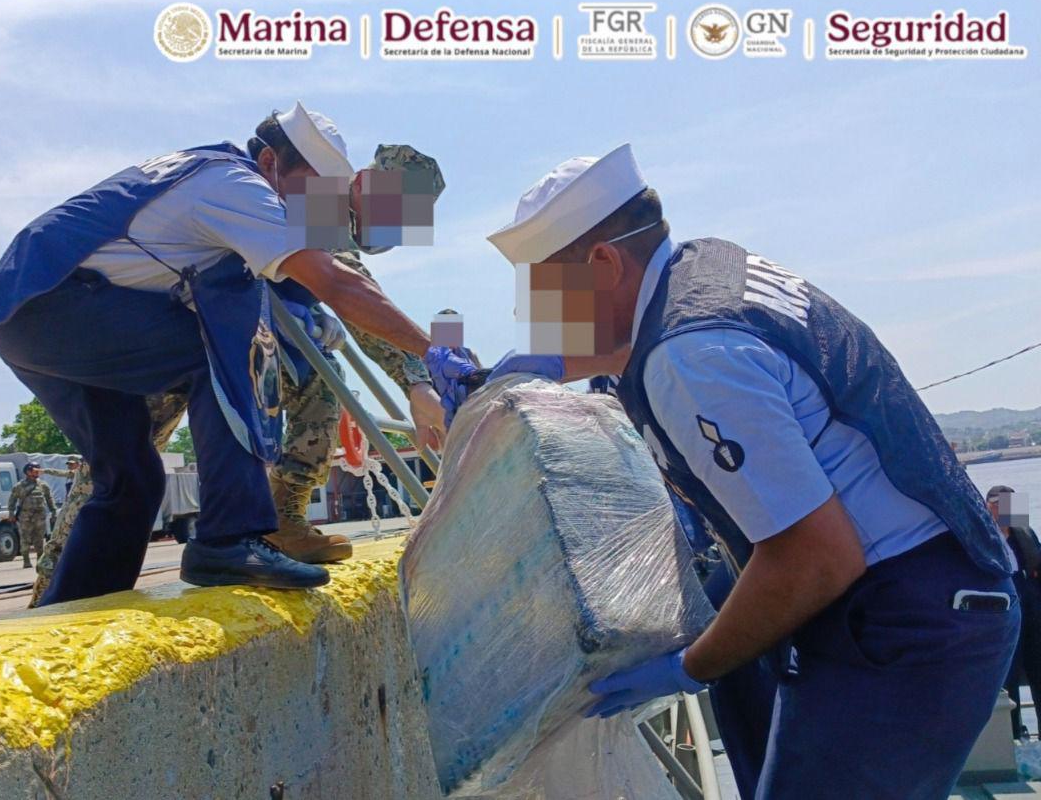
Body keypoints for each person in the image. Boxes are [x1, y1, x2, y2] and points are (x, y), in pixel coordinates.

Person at [432, 144, 1020, 799]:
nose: (534, 312)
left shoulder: (693, 357)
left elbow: (816, 557)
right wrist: (522, 372)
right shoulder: (702, 270)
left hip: (898, 622)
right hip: (919, 597)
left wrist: (691, 666)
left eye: (543, 288)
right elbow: (643, 333)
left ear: (601, 263)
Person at [0, 102, 440, 605]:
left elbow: (337, 286)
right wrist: (431, 361)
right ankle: (229, 537)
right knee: (228, 353)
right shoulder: (242, 187)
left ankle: (67, 608)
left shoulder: (237, 176)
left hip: (34, 305)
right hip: (73, 307)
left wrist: (403, 368)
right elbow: (340, 284)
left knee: (132, 478)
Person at [263, 143, 445, 564]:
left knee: (127, 456)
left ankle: (280, 518)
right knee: (322, 385)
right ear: (362, 184)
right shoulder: (323, 196)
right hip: (203, 307)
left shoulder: (336, 209)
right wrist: (416, 380)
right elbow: (352, 290)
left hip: (241, 309)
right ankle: (278, 520)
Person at [990, 484, 1041, 738]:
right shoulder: (985, 537)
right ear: (992, 507)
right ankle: (1013, 734)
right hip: (1006, 616)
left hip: (1034, 614)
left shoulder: (1025, 533)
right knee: (1008, 679)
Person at [30, 458, 92, 607]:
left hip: (84, 504)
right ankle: (40, 602)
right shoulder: (78, 472)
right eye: (69, 465)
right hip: (80, 505)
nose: (71, 466)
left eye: (72, 464)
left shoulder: (87, 468)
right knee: (56, 549)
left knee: (57, 548)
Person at [6, 462, 57, 569]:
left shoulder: (43, 485)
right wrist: (11, 513)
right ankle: (26, 560)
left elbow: (49, 498)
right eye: (34, 470)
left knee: (39, 539)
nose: (36, 472)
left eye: (38, 470)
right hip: (25, 517)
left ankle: (40, 560)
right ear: (27, 472)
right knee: (25, 539)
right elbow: (12, 500)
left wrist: (53, 511)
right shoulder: (19, 486)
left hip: (40, 516)